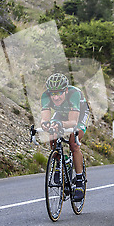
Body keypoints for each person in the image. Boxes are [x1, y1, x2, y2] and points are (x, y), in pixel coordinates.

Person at [40, 73, 89, 201]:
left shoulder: (74, 94)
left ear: (66, 90)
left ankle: (79, 181)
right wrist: (46, 125)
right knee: (52, 133)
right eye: (53, 94)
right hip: (61, 113)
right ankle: (61, 162)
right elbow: (45, 118)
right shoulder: (45, 96)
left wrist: (60, 124)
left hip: (79, 114)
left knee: (73, 143)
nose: (55, 97)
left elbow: (73, 122)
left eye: (59, 93)